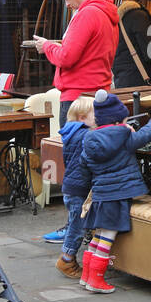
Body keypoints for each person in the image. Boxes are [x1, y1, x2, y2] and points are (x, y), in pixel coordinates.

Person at [79, 90, 151, 293]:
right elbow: (143, 137)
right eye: (124, 119)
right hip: (117, 194)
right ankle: (97, 280)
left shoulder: (89, 139)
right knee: (107, 236)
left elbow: (84, 162)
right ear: (117, 120)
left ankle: (86, 276)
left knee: (97, 235)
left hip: (100, 194)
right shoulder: (124, 136)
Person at [34, 0, 119, 124]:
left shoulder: (86, 14)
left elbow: (66, 57)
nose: (67, 4)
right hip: (99, 93)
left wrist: (47, 46)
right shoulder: (106, 13)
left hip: (77, 99)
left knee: (73, 146)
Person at [53, 96, 96, 281]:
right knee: (77, 228)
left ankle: (70, 259)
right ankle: (67, 259)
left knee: (74, 224)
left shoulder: (71, 133)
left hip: (71, 186)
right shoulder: (85, 135)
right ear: (81, 117)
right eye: (96, 115)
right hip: (79, 188)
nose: (99, 118)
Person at [112, 0, 151, 88]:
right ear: (148, 0)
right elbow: (150, 54)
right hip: (136, 81)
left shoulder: (124, 14)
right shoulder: (139, 16)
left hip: (123, 77)